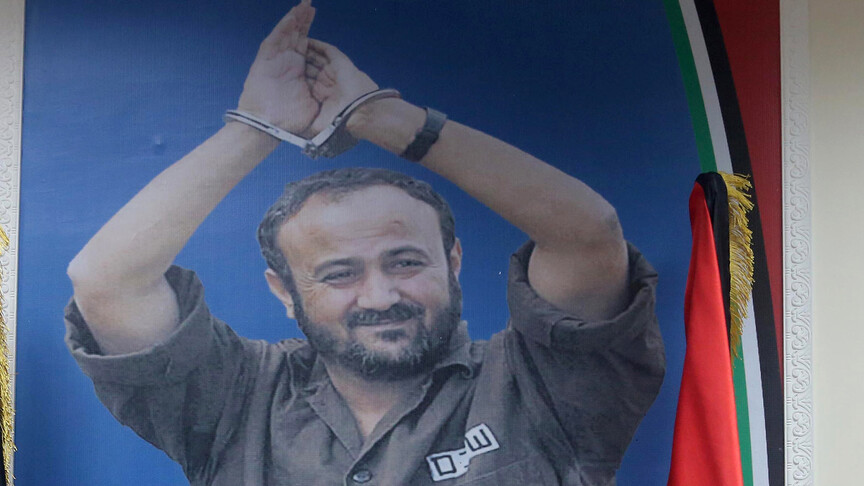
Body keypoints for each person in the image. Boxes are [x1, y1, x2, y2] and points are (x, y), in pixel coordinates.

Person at [65, 1, 664, 484]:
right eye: (339, 273)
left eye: (405, 262)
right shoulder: (235, 399)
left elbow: (588, 235)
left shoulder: (541, 386)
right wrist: (257, 128)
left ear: (453, 261)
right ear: (284, 290)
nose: (380, 296)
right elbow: (106, 282)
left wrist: (380, 117)